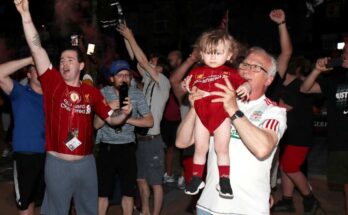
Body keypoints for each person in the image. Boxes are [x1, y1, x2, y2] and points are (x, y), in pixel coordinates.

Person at [14, 1, 133, 214]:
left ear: (80, 65)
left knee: (88, 210)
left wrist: (124, 113)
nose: (64, 63)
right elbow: (36, 48)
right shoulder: (53, 83)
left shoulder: (93, 93)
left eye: (70, 59)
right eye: (61, 60)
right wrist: (25, 15)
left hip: (86, 164)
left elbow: (111, 119)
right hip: (58, 164)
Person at [176, 47, 287, 214]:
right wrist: (195, 107)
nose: (247, 69)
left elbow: (262, 149)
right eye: (244, 64)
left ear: (269, 80)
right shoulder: (216, 101)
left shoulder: (273, 111)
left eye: (256, 67)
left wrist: (233, 109)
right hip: (208, 206)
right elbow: (182, 142)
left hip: (248, 208)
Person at [183, 29, 251, 198]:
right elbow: (187, 86)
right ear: (201, 53)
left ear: (229, 55)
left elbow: (246, 83)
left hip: (222, 117)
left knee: (222, 149)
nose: (212, 57)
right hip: (201, 116)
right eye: (208, 52)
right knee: (200, 148)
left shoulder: (232, 73)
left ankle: (224, 180)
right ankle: (197, 177)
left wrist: (246, 87)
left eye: (218, 53)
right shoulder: (196, 72)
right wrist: (186, 86)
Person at [117, 23, 170, 215]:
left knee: (156, 182)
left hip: (154, 140)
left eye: (154, 62)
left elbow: (142, 61)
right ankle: (145, 211)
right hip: (139, 139)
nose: (149, 63)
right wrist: (125, 36)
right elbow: (135, 58)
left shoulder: (163, 82)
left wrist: (131, 36)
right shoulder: (148, 80)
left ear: (161, 67)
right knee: (140, 179)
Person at [94, 59, 153, 215]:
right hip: (107, 147)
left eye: (127, 75)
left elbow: (149, 121)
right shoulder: (102, 93)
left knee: (128, 191)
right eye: (120, 75)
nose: (124, 78)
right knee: (103, 192)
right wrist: (107, 108)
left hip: (127, 147)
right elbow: (96, 125)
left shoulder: (136, 94)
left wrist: (127, 117)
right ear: (112, 78)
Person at [300, 43, 348, 214]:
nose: (344, 54)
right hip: (340, 143)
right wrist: (317, 70)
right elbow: (305, 88)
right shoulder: (335, 80)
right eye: (344, 51)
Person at [271, 56, 321, 214]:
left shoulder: (297, 85)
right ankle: (287, 200)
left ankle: (310, 199)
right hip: (288, 134)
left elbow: (284, 107)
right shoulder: (282, 86)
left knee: (291, 166)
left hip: (300, 134)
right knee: (285, 167)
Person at [0, 57, 45, 215]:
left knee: (52, 200)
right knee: (26, 203)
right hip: (26, 157)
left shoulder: (54, 97)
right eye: (36, 69)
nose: (41, 71)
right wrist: (31, 59)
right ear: (29, 75)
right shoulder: (20, 92)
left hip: (52, 157)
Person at [162, 50, 183, 185]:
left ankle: (183, 176)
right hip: (167, 119)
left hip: (180, 119)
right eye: (168, 59)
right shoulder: (165, 76)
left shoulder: (183, 77)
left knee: (182, 149)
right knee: (169, 148)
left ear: (179, 61)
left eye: (172, 59)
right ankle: (168, 174)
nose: (169, 62)